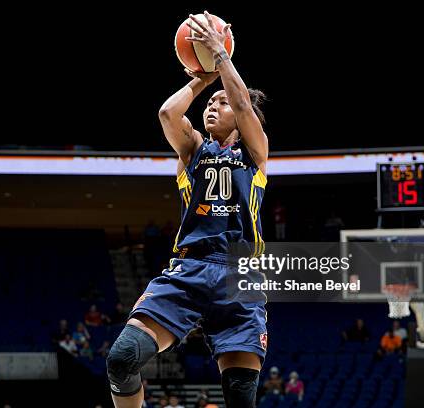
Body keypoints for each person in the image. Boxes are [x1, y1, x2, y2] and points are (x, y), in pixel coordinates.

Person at [106, 11, 269, 408]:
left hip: (239, 274)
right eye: (209, 103)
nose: (211, 107)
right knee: (122, 360)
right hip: (189, 269)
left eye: (220, 103)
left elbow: (245, 107)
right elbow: (167, 113)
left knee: (240, 397)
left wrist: (222, 57)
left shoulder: (254, 152)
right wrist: (204, 78)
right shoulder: (193, 150)